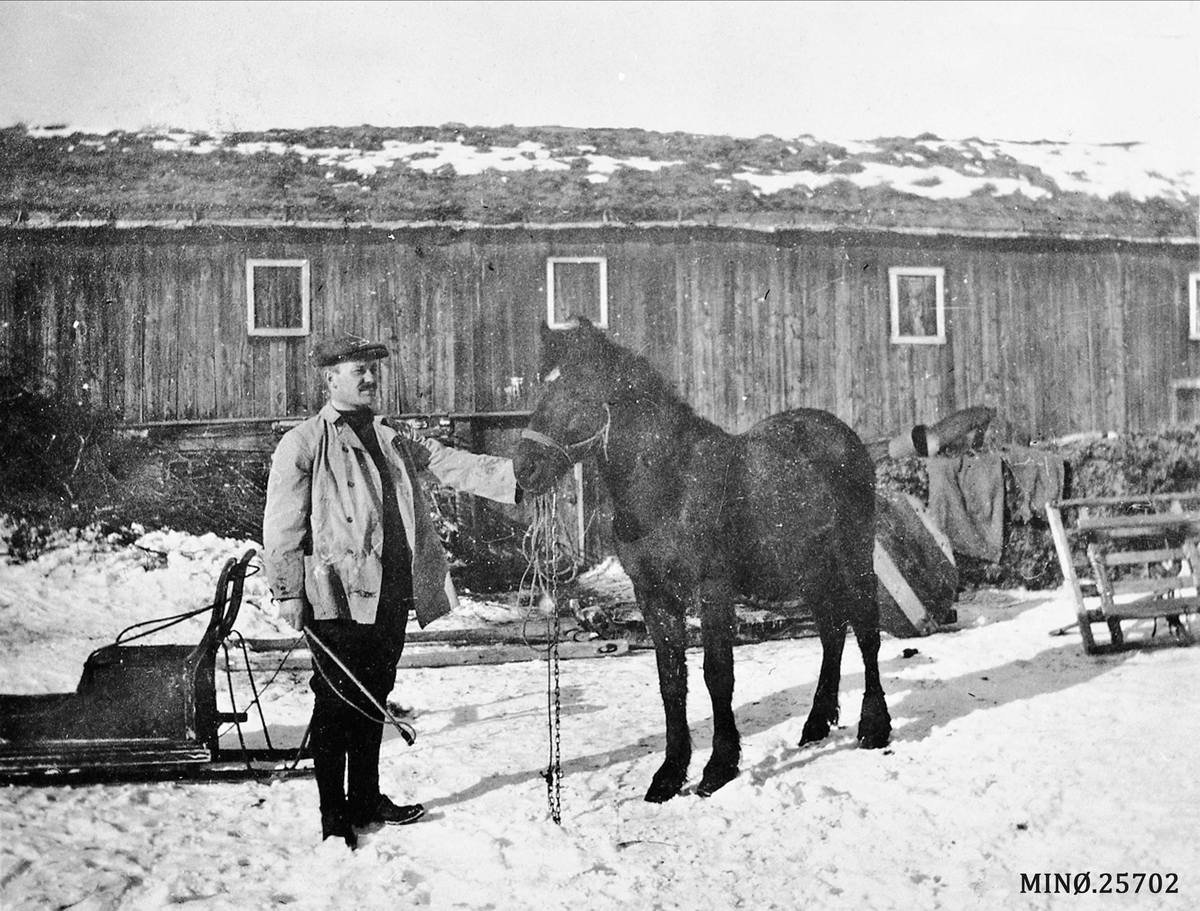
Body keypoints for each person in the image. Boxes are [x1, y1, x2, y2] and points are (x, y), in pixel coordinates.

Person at [263, 334, 520, 849]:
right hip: (335, 591)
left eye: (372, 369)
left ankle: (367, 798)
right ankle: (334, 816)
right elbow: (282, 526)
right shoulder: (305, 441)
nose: (369, 377)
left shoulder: (392, 436)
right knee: (337, 702)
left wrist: (518, 476)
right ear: (330, 378)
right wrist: (289, 591)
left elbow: (451, 463)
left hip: (390, 590)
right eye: (358, 369)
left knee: (374, 697)